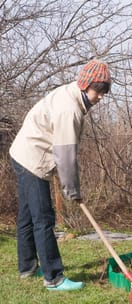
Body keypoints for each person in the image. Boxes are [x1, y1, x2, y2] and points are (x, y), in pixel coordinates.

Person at [9, 59, 111, 291]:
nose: (102, 96)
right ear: (86, 85)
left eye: (106, 90)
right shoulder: (70, 109)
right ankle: (53, 278)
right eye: (99, 89)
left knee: (27, 216)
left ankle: (27, 268)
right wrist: (72, 190)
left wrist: (70, 187)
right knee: (43, 219)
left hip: (21, 152)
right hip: (32, 159)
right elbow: (66, 157)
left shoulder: (71, 94)